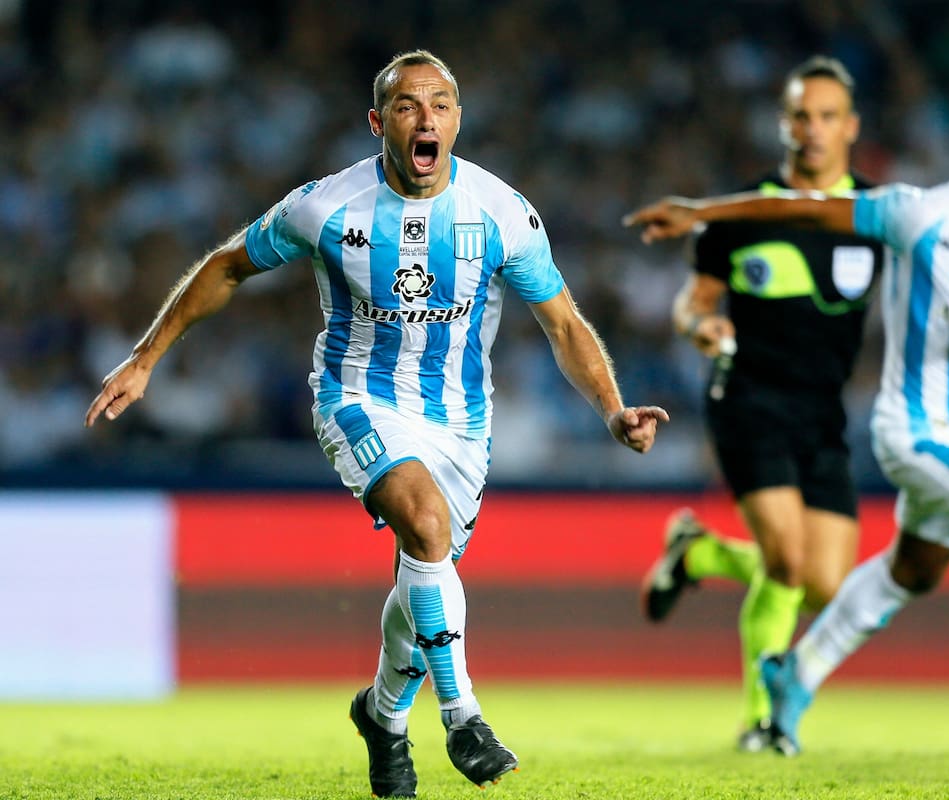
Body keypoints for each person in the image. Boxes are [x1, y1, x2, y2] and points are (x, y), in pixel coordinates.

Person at [85, 49, 668, 797]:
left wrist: (614, 409)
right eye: (406, 105)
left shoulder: (500, 212)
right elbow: (228, 265)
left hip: (461, 423)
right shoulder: (326, 207)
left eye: (440, 105)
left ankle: (383, 716)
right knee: (424, 527)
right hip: (358, 399)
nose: (426, 118)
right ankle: (463, 716)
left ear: (458, 120)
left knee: (426, 577)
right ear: (377, 122)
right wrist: (145, 357)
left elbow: (562, 324)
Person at [625, 89, 949, 752]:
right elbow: (794, 207)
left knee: (909, 573)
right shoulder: (921, 213)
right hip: (913, 428)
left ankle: (792, 679)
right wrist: (700, 212)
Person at [637, 55, 883, 753]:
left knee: (825, 584)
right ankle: (764, 722)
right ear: (784, 124)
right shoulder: (740, 215)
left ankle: (701, 556)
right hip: (748, 398)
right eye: (802, 114)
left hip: (824, 415)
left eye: (828, 116)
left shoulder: (873, 214)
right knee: (786, 560)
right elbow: (696, 300)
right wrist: (700, 327)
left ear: (851, 126)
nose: (813, 129)